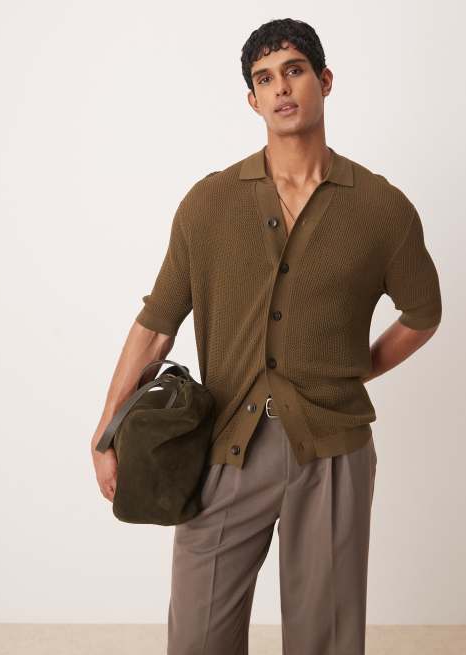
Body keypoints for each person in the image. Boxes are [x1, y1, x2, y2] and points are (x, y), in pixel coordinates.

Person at [91, 17, 442, 655]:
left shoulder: (381, 209)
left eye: (294, 70)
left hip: (332, 451)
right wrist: (107, 431)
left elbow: (423, 314)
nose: (281, 88)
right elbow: (157, 324)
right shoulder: (209, 204)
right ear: (252, 100)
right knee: (198, 636)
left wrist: (353, 368)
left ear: (324, 81)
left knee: (324, 639)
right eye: (264, 78)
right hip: (225, 446)